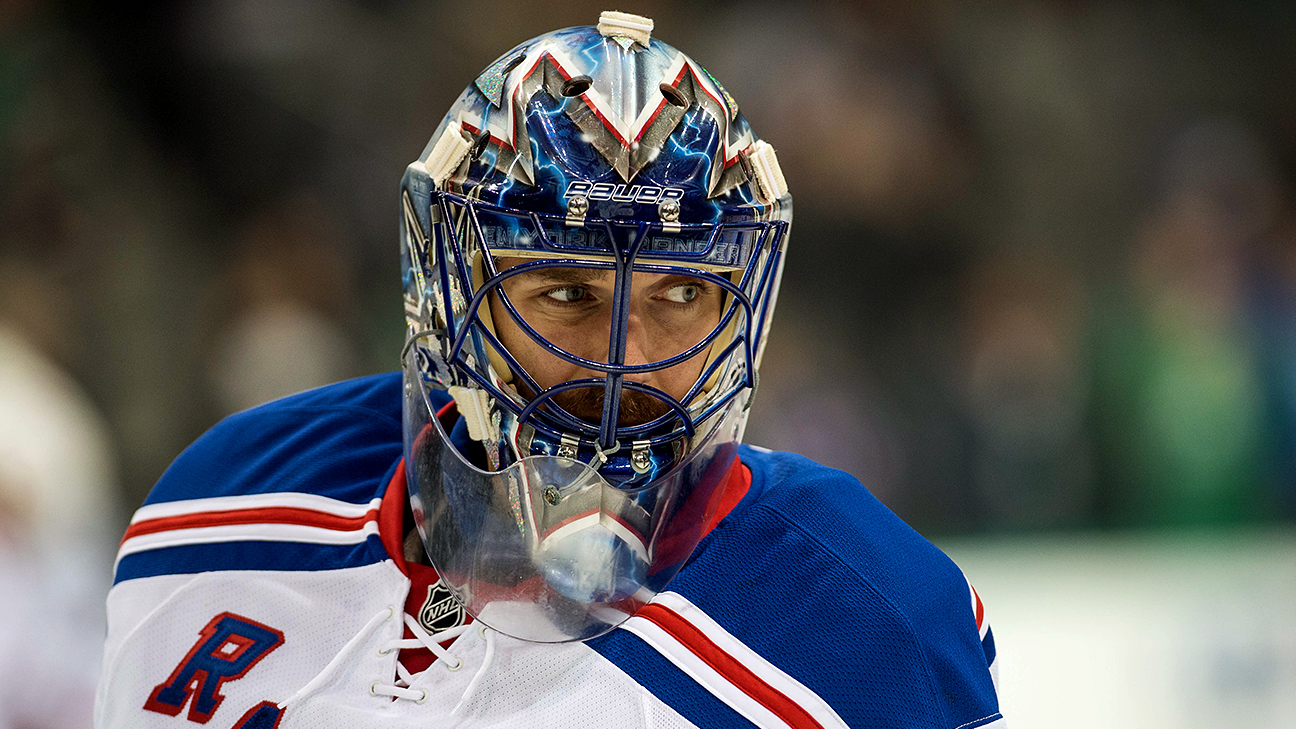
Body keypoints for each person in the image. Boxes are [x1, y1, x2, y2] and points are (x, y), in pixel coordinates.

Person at [96, 13, 1002, 729]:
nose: (625, 358)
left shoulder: (862, 623)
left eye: (681, 293)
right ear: (450, 293)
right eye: (566, 292)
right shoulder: (218, 510)